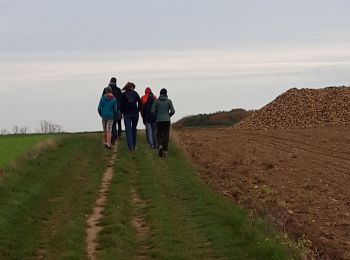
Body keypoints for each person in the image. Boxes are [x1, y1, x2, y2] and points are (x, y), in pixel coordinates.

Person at [151, 88, 175, 157]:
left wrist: (156, 116)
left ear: (160, 93)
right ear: (166, 94)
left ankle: (160, 146)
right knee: (166, 136)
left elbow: (152, 111)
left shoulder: (156, 101)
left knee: (159, 134)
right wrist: (168, 116)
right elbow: (173, 111)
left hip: (159, 120)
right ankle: (165, 151)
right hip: (167, 120)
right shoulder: (169, 101)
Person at [120, 82, 142, 151]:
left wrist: (123, 112)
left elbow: (121, 105)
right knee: (134, 129)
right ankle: (134, 145)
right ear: (132, 87)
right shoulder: (135, 93)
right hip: (135, 113)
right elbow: (140, 102)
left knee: (128, 130)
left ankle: (130, 147)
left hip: (127, 114)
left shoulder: (123, 95)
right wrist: (138, 110)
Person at [102, 77, 122, 144]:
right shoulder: (118, 90)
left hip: (106, 110)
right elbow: (121, 100)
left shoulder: (105, 89)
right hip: (116, 109)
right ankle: (115, 137)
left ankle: (108, 139)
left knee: (107, 126)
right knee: (114, 124)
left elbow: (102, 99)